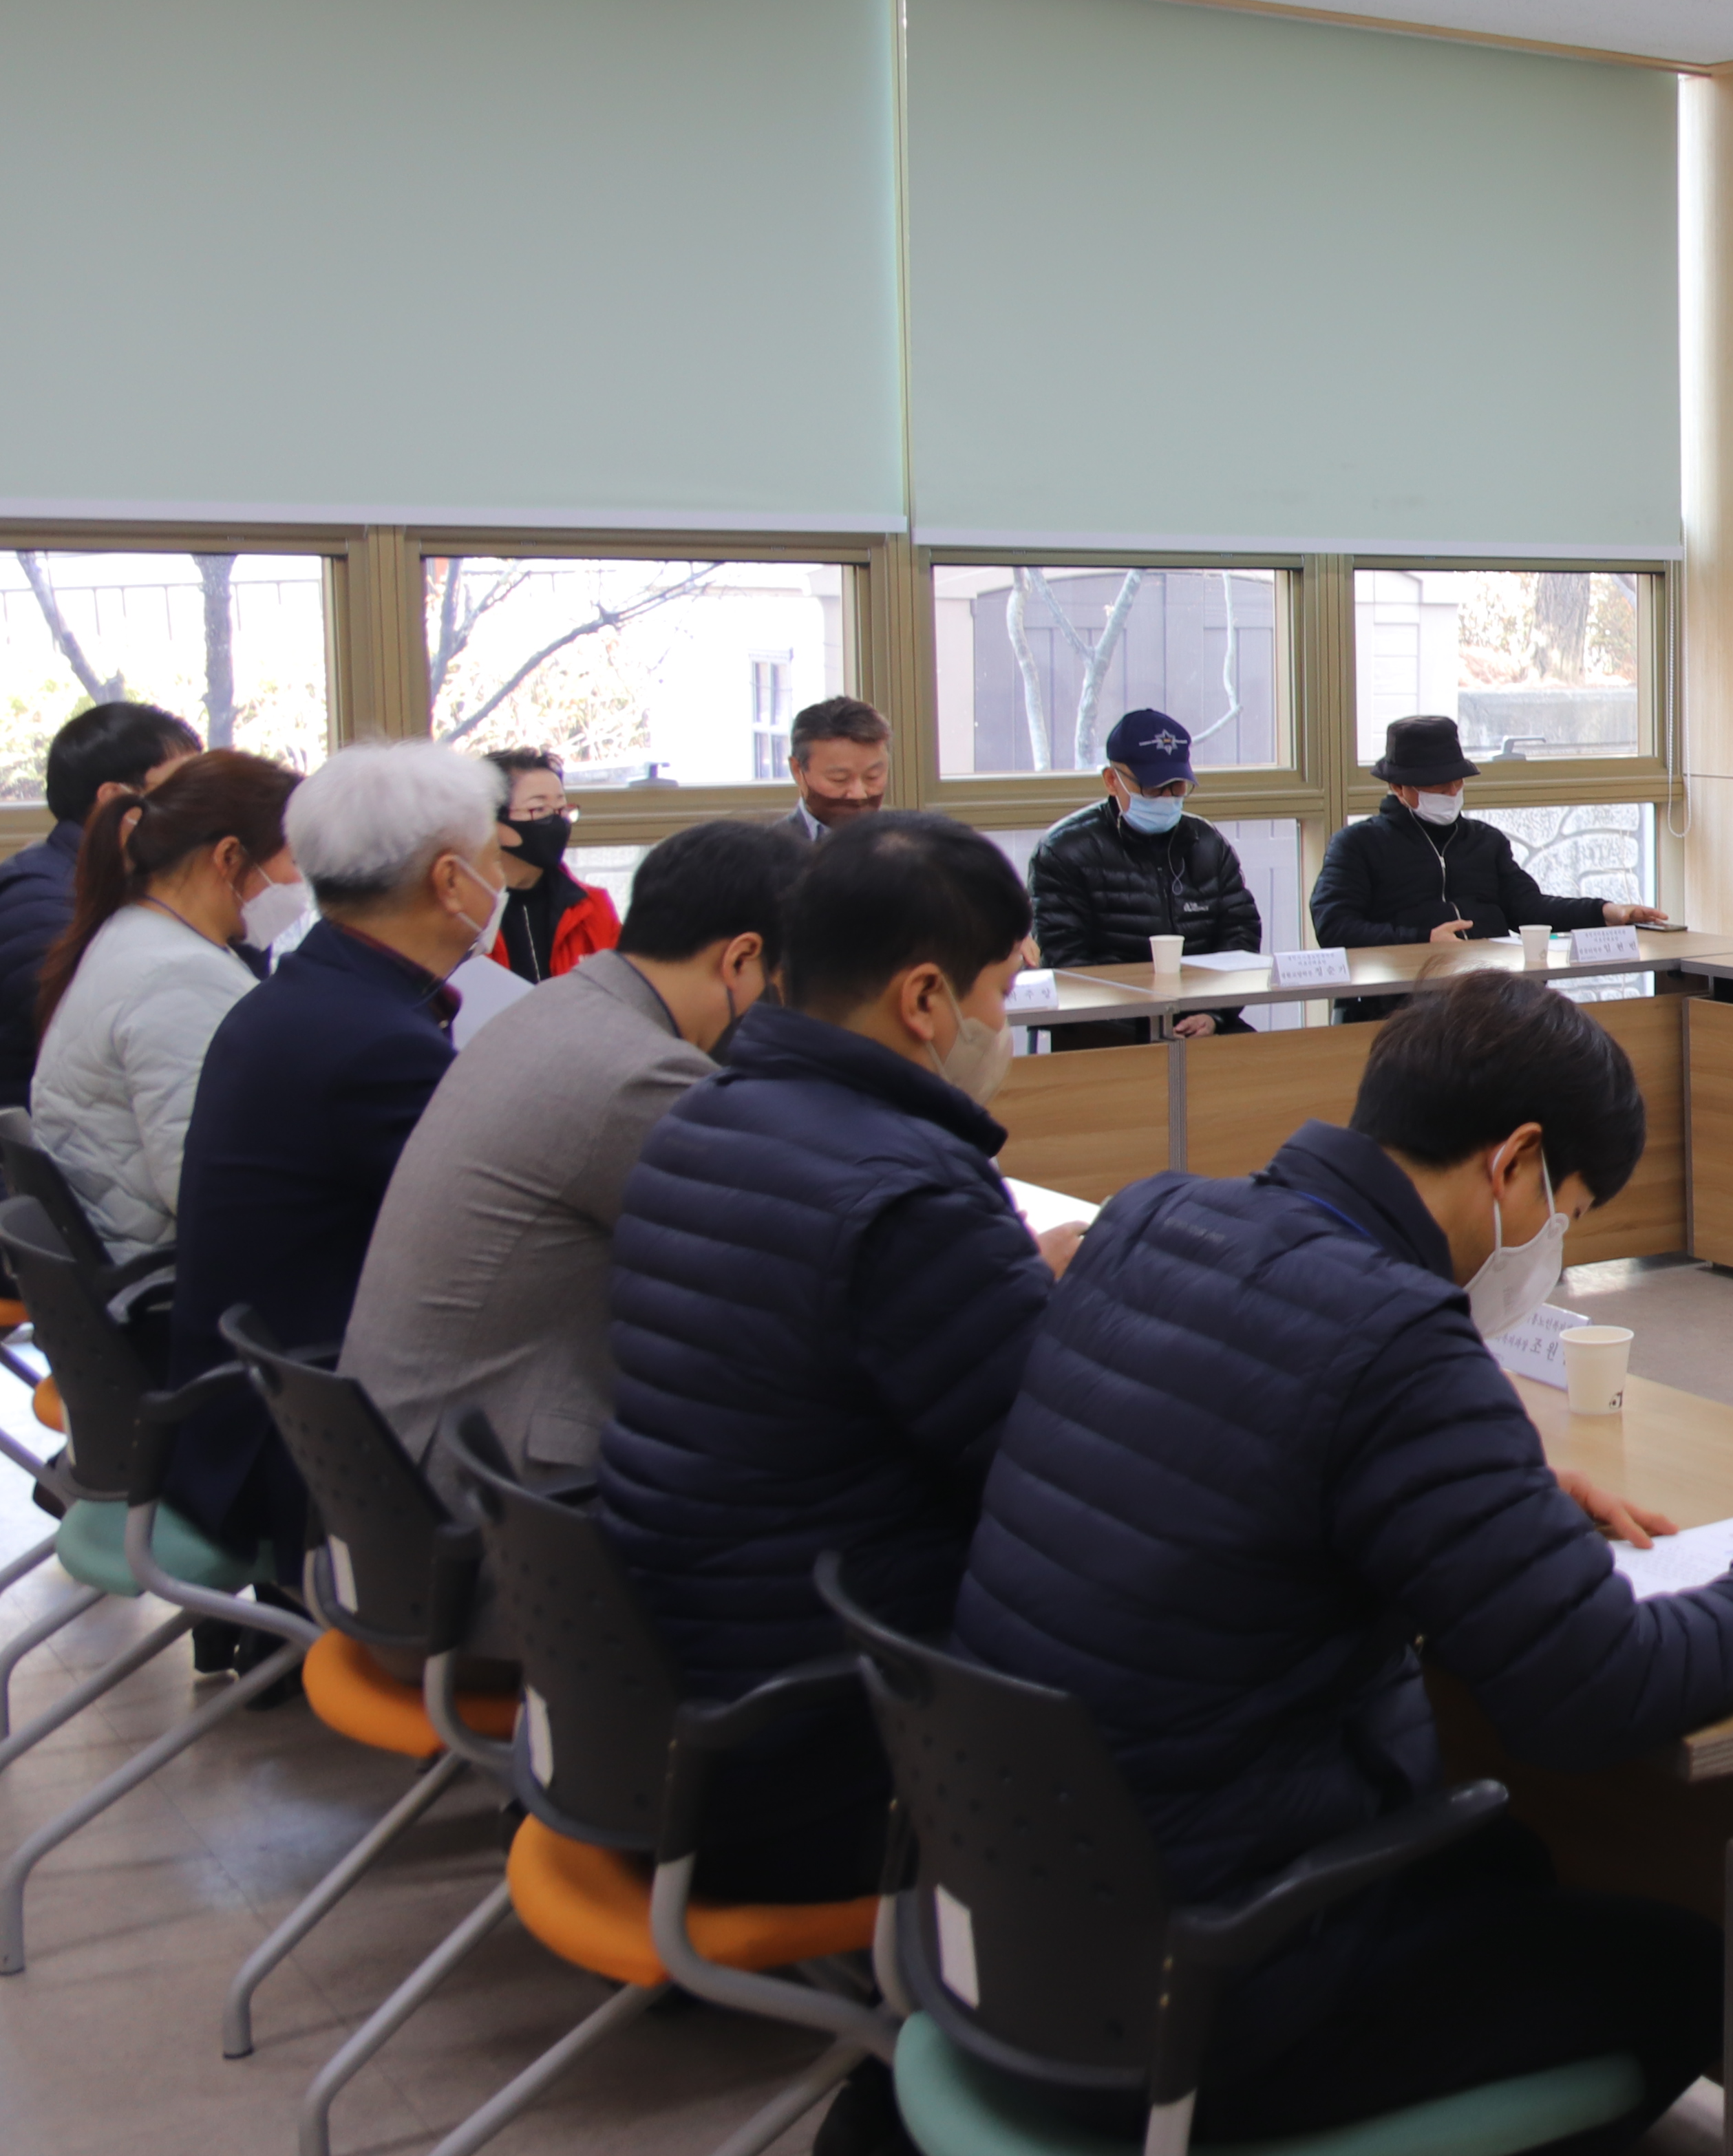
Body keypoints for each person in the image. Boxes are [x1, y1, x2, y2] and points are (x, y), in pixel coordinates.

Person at [953, 973, 1733, 2156]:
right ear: (1516, 1162)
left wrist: (1486, 1494)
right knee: (1695, 1971)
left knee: (1512, 1862)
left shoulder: (1155, 1216)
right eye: (1568, 1215)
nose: (1553, 1253)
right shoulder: (1395, 1337)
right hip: (1211, 1986)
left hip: (1017, 1919)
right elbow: (1595, 1688)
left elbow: (1244, 1460)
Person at [597, 811, 1083, 1909]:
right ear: (924, 1000)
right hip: (827, 1749)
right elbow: (1049, 1473)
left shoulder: (702, 1120)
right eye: (1001, 990)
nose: (1002, 1023)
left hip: (667, 1698)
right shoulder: (908, 1194)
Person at [341, 819, 804, 1506]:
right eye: (783, 981)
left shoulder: (559, 1005)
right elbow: (772, 1268)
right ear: (742, 958)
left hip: (400, 1447)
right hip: (482, 1492)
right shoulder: (641, 1074)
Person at [162, 740, 504, 1566]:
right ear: (451, 879)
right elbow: (484, 1241)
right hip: (305, 1454)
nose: (503, 877)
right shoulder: (376, 1044)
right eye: (495, 853)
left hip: (239, 1410)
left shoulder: (305, 993)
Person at [28, 749, 299, 1263]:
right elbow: (209, 1192)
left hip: (131, 1251)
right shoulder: (178, 975)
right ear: (228, 857)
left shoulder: (137, 931)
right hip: (166, 1278)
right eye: (294, 859)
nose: (299, 883)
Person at [1311, 714, 1671, 959]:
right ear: (1398, 788)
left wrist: (1606, 912)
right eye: (1438, 785)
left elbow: (1527, 907)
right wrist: (1423, 940)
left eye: (1458, 781)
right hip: (1406, 994)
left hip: (1491, 988)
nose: (1452, 792)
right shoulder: (1357, 845)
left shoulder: (1485, 841)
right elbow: (1334, 926)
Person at [0, 699, 199, 1105]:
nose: (200, 804)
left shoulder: (124, 881)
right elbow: (101, 1031)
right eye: (183, 786)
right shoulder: (36, 899)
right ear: (113, 799)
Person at [1026, 708, 1264, 1047]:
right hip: (1105, 1031)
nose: (1167, 799)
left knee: (1264, 1063)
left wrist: (1213, 1013)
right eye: (1153, 789)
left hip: (1199, 1019)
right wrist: (1150, 1020)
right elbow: (1065, 962)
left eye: (1177, 787)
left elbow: (1240, 934)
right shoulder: (1065, 851)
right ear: (1112, 781)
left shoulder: (1207, 844)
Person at [480, 746, 619, 984]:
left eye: (562, 809)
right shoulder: (461, 913)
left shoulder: (592, 907)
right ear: (491, 819)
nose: (557, 821)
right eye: (539, 809)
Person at [781, 694, 891, 840]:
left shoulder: (910, 843)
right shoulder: (769, 848)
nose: (859, 794)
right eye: (840, 779)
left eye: (873, 777)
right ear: (797, 770)